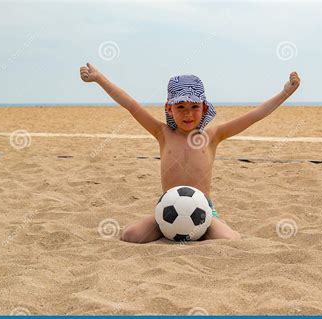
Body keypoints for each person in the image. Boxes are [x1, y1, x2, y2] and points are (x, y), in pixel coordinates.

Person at [79, 63, 300, 243]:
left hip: (203, 212)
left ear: (204, 108)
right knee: (130, 235)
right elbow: (130, 105)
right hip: (167, 210)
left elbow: (254, 115)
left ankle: (204, 231)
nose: (188, 114)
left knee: (232, 239)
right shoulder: (162, 133)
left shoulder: (213, 136)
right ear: (169, 108)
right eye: (181, 107)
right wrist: (99, 78)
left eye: (194, 107)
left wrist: (285, 93)